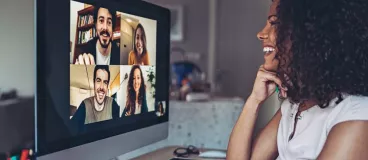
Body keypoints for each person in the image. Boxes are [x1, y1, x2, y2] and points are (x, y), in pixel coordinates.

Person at [227, 0, 368, 159]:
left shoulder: (356, 114)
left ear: (309, 34)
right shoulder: (295, 105)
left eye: (274, 23)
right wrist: (254, 100)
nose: (261, 34)